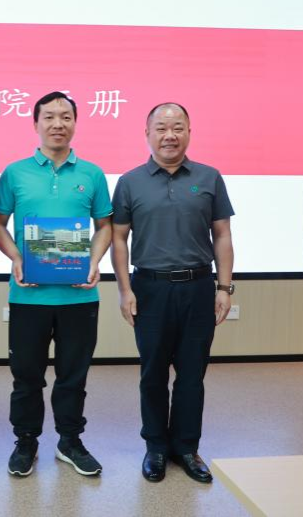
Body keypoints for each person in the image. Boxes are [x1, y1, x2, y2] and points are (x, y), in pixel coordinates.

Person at [110, 102, 234, 484]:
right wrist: (125, 290)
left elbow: (222, 234)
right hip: (150, 288)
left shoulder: (209, 178)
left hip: (198, 287)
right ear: (147, 133)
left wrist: (224, 287)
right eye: (161, 128)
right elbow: (118, 238)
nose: (170, 135)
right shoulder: (130, 182)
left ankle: (186, 447)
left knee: (192, 374)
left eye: (178, 127)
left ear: (189, 132)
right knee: (152, 373)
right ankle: (156, 448)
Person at [0, 92, 113, 478]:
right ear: (36, 124)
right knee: (26, 376)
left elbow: (104, 226)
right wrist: (16, 257)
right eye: (49, 117)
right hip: (28, 295)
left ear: (75, 123)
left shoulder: (92, 174)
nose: (58, 124)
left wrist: (94, 261)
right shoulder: (15, 173)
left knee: (73, 376)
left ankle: (70, 441)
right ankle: (26, 441)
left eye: (65, 117)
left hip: (79, 295)